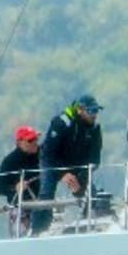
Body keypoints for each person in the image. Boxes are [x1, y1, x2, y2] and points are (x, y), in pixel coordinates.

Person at [30, 94, 103, 235]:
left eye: (96, 111)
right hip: (52, 161)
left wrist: (81, 177)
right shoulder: (61, 122)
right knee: (46, 193)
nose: (95, 115)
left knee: (89, 193)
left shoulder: (94, 128)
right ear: (80, 110)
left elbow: (95, 159)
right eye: (91, 111)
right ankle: (37, 230)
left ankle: (91, 223)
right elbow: (48, 153)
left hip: (76, 165)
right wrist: (62, 174)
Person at [0, 125, 42, 237]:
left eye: (36, 139)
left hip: (41, 204)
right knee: (23, 241)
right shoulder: (10, 161)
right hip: (20, 208)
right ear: (19, 142)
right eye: (30, 140)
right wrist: (15, 187)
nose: (34, 142)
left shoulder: (42, 154)